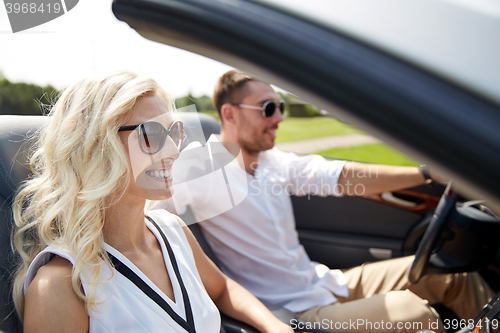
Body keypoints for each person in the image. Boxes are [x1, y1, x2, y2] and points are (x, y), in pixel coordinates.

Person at [156, 69, 494, 333]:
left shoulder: (272, 160)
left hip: (326, 281)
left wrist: (426, 174)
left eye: (281, 107)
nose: (279, 118)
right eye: (268, 108)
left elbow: (341, 177)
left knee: (449, 270)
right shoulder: (198, 168)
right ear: (229, 114)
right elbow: (146, 220)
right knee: (414, 314)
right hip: (295, 310)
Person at [11, 72, 293, 333]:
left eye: (174, 133)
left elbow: (222, 289)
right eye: (151, 134)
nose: (173, 150)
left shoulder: (172, 229)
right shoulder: (60, 286)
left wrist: (275, 327)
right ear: (96, 147)